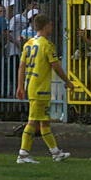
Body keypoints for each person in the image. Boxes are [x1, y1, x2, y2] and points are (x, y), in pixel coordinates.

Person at [14, 14, 73, 163]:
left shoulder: (29, 43)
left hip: (32, 85)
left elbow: (22, 66)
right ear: (46, 26)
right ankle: (23, 154)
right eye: (51, 25)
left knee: (44, 122)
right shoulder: (47, 45)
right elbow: (56, 66)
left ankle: (55, 152)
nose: (52, 27)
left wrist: (20, 86)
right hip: (40, 87)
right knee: (33, 121)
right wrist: (67, 81)